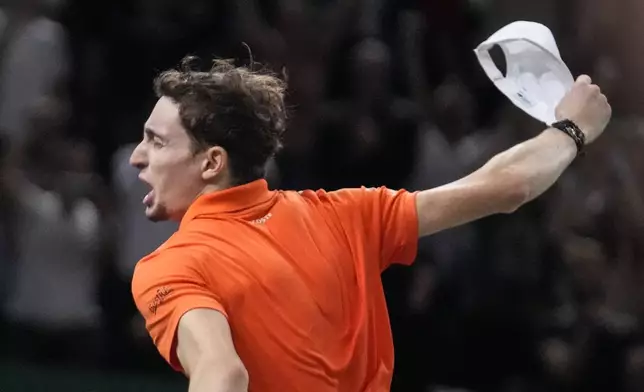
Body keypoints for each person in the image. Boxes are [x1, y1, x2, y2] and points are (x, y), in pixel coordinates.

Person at [130, 56, 611, 391]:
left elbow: (222, 374)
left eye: (156, 142)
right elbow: (505, 188)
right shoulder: (343, 214)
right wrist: (570, 130)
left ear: (212, 162)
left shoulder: (172, 266)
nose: (137, 157)